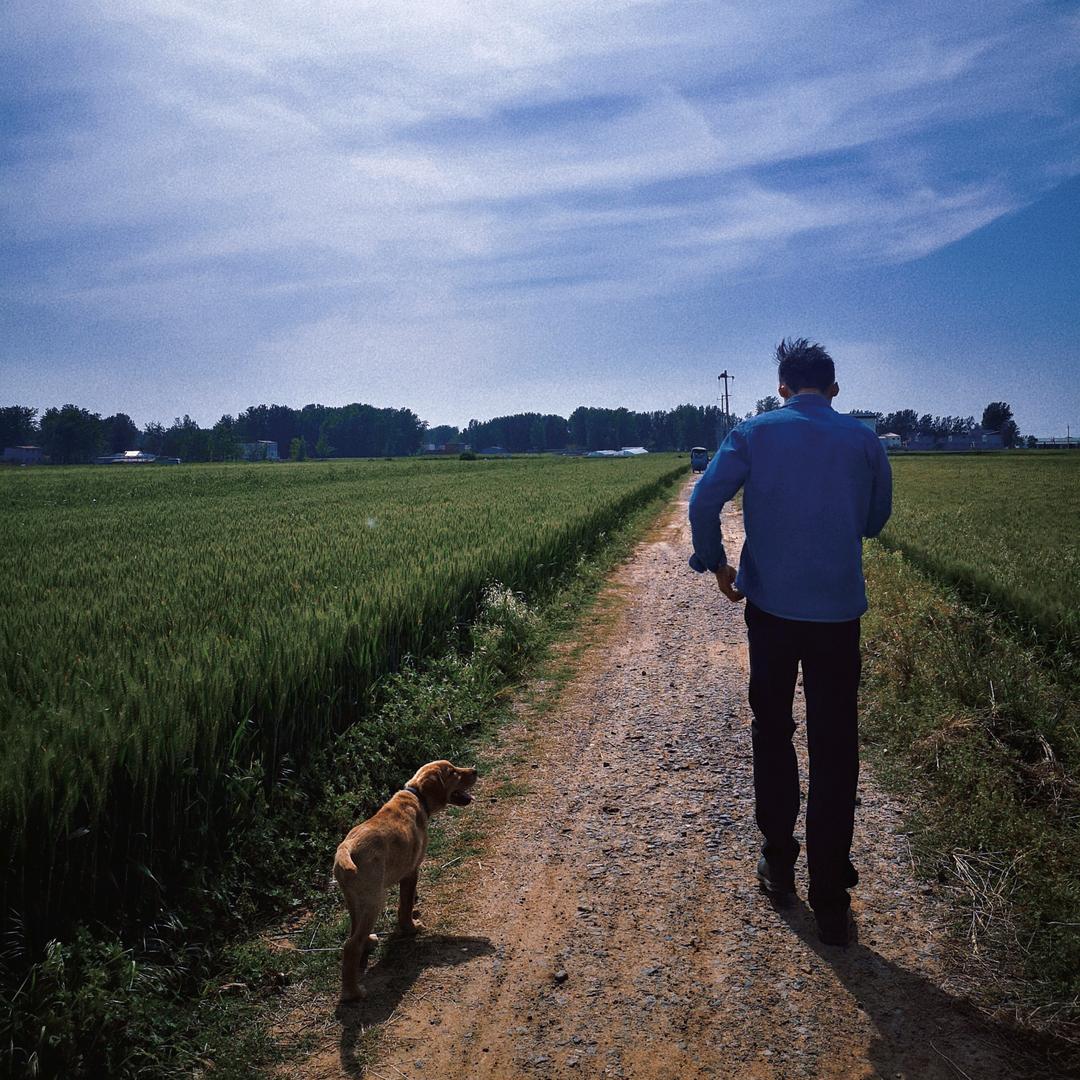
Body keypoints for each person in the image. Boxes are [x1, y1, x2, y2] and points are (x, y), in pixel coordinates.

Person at [688, 338, 892, 945]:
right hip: (837, 614)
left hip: (771, 609)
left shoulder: (755, 432)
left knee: (772, 727)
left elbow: (703, 499)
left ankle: (779, 863)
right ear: (833, 389)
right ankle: (831, 898)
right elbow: (875, 522)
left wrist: (717, 562)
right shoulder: (863, 439)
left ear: (782, 388)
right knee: (836, 744)